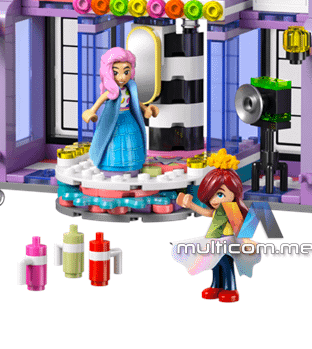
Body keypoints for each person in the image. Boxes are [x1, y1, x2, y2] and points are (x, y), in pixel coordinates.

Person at [172, 149, 261, 303]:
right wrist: (191, 205)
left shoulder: (232, 209)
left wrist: (246, 240)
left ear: (233, 192)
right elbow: (207, 213)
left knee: (226, 265)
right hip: (215, 243)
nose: (214, 200)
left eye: (220, 194)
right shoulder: (219, 211)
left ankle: (230, 288)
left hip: (228, 243)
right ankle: (216, 285)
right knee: (214, 265)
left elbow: (238, 227)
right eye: (211, 195)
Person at [83, 47, 159, 175]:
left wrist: (146, 109)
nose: (122, 77)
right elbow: (98, 103)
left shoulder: (130, 89)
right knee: (111, 141)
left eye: (126, 72)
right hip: (113, 121)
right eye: (116, 72)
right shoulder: (111, 92)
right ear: (109, 73)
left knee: (133, 139)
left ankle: (133, 166)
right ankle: (110, 166)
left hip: (129, 119)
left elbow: (135, 101)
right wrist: (91, 111)